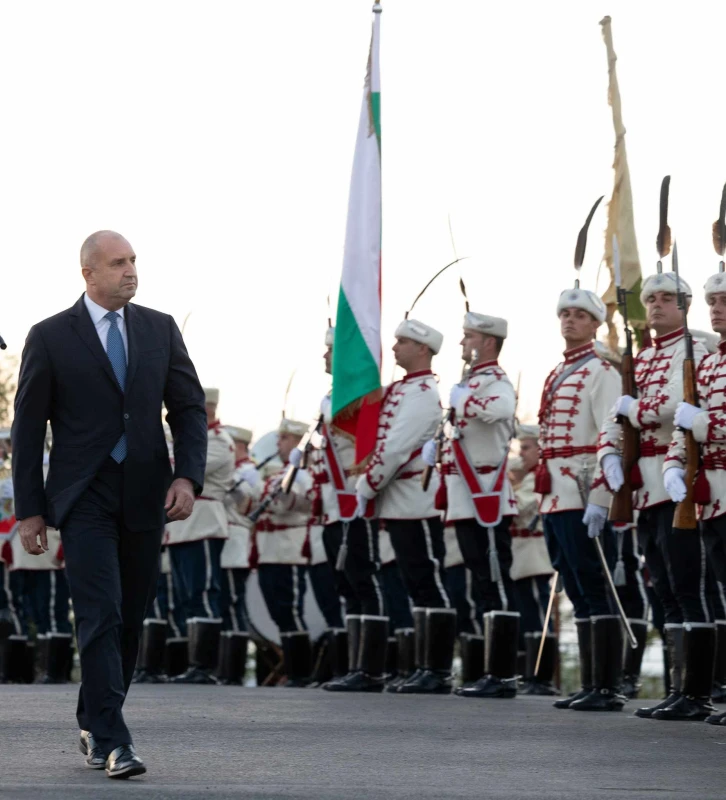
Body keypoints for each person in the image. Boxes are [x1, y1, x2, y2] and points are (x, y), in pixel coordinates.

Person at [12, 230, 206, 778]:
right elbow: (28, 430)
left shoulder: (159, 329)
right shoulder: (50, 336)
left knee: (130, 619)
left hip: (147, 492)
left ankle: (95, 721)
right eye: (118, 263)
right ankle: (116, 740)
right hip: (83, 497)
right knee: (101, 611)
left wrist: (188, 477)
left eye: (133, 260)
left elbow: (189, 409)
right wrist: (32, 509)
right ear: (88, 273)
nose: (130, 270)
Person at [598, 269, 713, 720]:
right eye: (652, 300)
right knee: (663, 587)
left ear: (685, 306)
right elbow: (617, 412)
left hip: (677, 475)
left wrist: (636, 410)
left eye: (668, 299)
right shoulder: (643, 357)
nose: (658, 306)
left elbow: (676, 406)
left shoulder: (695, 352)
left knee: (688, 585)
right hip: (644, 484)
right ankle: (676, 685)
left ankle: (697, 690)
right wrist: (609, 452)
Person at [356, 318, 455, 695]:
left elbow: (396, 447)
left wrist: (367, 483)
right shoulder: (401, 390)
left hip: (416, 498)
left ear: (423, 349)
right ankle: (421, 665)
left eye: (402, 342)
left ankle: (438, 669)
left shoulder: (422, 393)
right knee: (413, 582)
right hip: (398, 500)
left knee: (426, 580)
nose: (394, 347)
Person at [537, 285, 622, 711]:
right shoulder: (558, 371)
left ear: (595, 324)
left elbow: (612, 433)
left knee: (594, 582)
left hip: (584, 488)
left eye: (579, 315)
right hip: (555, 493)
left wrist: (602, 498)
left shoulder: (601, 371)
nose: (569, 321)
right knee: (573, 584)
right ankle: (591, 682)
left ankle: (605, 686)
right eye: (565, 314)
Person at [432, 312, 520, 699]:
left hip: (487, 495)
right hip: (466, 498)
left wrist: (464, 400)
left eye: (468, 336)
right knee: (481, 583)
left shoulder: (496, 381)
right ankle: (489, 671)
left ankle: (502, 675)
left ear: (487, 341)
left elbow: (500, 410)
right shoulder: (471, 381)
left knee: (494, 581)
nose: (462, 342)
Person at [309, 326, 386, 692]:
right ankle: (355, 665)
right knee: (347, 586)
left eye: (330, 352)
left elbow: (357, 435)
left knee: (363, 580)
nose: (325, 357)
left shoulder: (357, 396)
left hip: (354, 501)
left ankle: (370, 668)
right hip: (332, 506)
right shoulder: (334, 395)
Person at [665, 266, 726, 723]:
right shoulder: (709, 363)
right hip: (713, 494)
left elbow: (699, 422)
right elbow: (684, 425)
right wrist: (671, 465)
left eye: (723, 301)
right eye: (712, 303)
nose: (716, 309)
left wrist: (701, 425)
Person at [165, 388, 235, 684]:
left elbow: (182, 467)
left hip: (203, 522)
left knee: (204, 593)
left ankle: (203, 665)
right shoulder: (191, 439)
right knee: (186, 597)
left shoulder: (217, 440)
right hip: (181, 526)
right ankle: (193, 664)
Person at [254, 418, 315, 687]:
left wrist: (281, 493)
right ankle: (293, 670)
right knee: (279, 612)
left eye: (284, 439)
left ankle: (300, 672)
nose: (278, 444)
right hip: (269, 551)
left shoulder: (303, 474)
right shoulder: (280, 473)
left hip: (288, 549)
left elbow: (295, 506)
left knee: (290, 611)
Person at [510, 425, 558, 696]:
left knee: (537, 617)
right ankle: (526, 674)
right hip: (520, 555)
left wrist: (507, 483)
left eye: (527, 447)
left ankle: (540, 677)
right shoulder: (526, 476)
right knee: (524, 615)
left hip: (534, 553)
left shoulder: (537, 477)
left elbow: (518, 506)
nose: (522, 453)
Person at [218, 425, 259, 685]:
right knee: (224, 603)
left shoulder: (249, 471)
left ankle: (233, 670)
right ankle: (223, 668)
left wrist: (229, 481)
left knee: (233, 603)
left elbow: (247, 503)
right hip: (224, 540)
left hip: (235, 540)